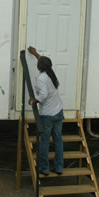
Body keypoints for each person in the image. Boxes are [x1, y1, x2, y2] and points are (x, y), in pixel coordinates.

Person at [27, 46, 64, 176]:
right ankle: (59, 168)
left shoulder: (41, 78)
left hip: (48, 115)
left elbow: (43, 95)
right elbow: (44, 62)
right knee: (58, 140)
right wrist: (35, 53)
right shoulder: (50, 73)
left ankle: (44, 168)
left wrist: (33, 100)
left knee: (44, 141)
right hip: (58, 112)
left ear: (39, 67)